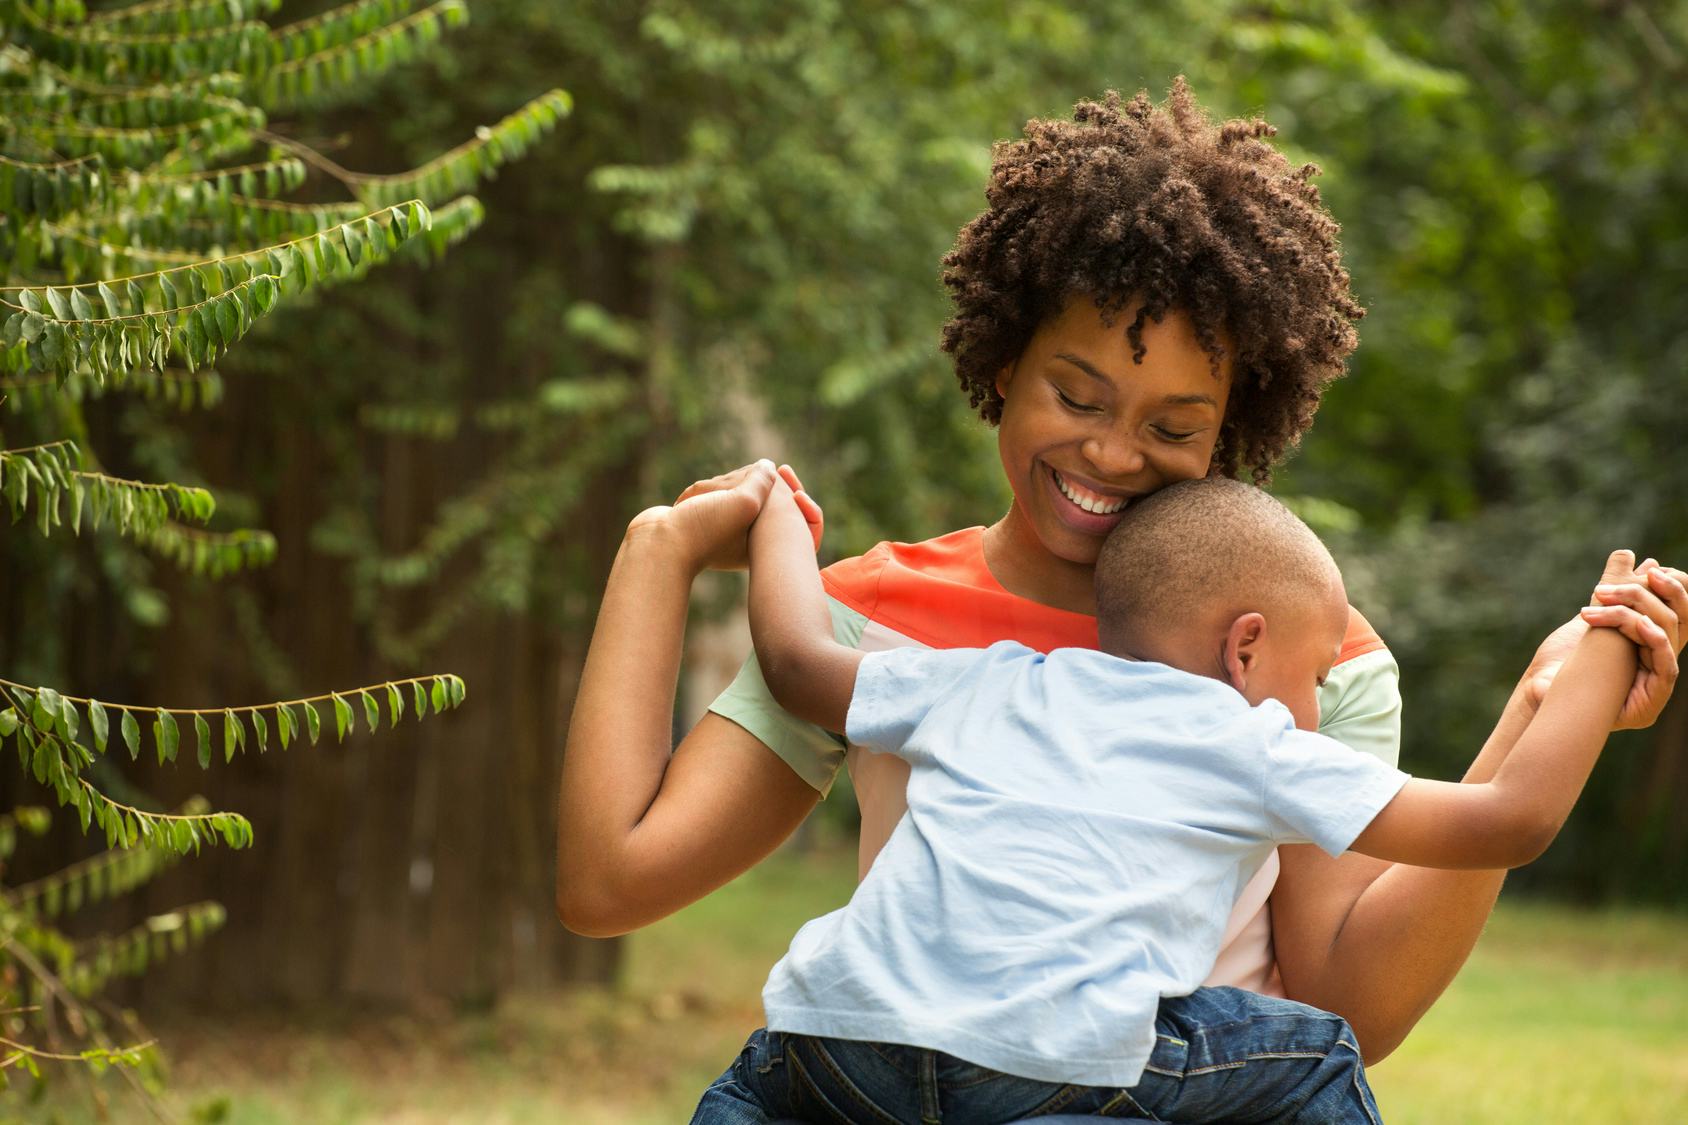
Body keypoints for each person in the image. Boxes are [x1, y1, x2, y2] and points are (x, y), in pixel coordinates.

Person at [554, 80, 1685, 1070]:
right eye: (1076, 395)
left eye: (1172, 426)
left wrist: (1532, 711)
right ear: (1003, 362)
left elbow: (1348, 1001)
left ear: (1231, 431)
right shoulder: (873, 617)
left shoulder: (1311, 652)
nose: (1108, 454)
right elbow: (610, 885)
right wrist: (654, 553)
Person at [690, 474, 1641, 1124]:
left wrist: (778, 512)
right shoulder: (1246, 739)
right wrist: (1603, 645)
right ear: (1246, 647)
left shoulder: (988, 677)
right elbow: (1510, 818)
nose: (1315, 704)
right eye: (1313, 672)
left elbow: (795, 662)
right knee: (1318, 1054)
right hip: (1048, 1060)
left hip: (842, 1045)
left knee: (754, 1079)